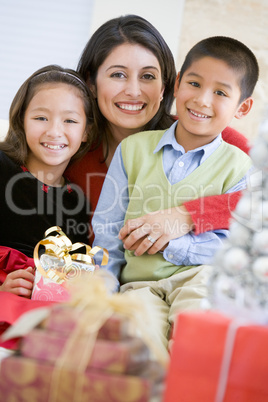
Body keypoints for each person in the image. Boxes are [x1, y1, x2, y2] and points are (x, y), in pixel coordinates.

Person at [91, 36, 259, 352]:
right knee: (140, 350)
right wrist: (102, 290)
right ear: (178, 84)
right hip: (138, 285)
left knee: (197, 346)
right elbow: (107, 235)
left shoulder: (240, 166)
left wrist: (177, 245)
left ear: (242, 107)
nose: (203, 100)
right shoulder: (132, 151)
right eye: (194, 84)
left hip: (203, 279)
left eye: (221, 92)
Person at [66, 15, 250, 247]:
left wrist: (187, 215)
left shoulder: (213, 139)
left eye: (148, 76)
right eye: (118, 75)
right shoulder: (70, 151)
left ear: (165, 86)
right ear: (91, 83)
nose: (134, 91)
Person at [0, 65, 96, 298]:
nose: (54, 131)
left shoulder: (77, 202)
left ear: (86, 132)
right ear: (21, 120)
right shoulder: (3, 167)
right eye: (41, 118)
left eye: (70, 121)